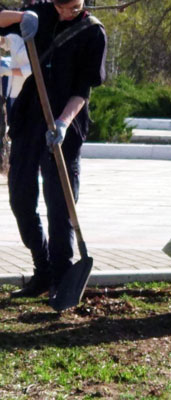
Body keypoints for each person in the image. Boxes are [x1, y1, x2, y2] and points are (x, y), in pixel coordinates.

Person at [0, 0, 107, 300]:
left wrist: (61, 123)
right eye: (61, 7)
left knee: (60, 206)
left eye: (72, 7)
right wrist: (21, 17)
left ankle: (62, 278)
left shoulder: (92, 31)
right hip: (28, 120)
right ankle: (42, 270)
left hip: (65, 127)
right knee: (21, 199)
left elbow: (82, 90)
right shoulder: (41, 13)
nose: (66, 13)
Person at [0, 33, 31, 124]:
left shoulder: (33, 44)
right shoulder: (14, 36)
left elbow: (33, 69)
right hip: (11, 92)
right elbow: (6, 44)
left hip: (24, 92)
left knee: (20, 123)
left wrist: (9, 72)